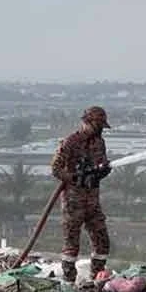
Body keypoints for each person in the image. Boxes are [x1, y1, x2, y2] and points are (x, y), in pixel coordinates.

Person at [50, 106, 112, 282]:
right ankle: (69, 282)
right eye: (97, 125)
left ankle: (96, 279)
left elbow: (102, 164)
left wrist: (103, 171)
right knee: (71, 245)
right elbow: (55, 168)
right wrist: (73, 178)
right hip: (73, 201)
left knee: (102, 240)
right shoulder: (71, 142)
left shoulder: (100, 143)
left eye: (101, 126)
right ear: (86, 122)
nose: (100, 129)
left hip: (93, 200)